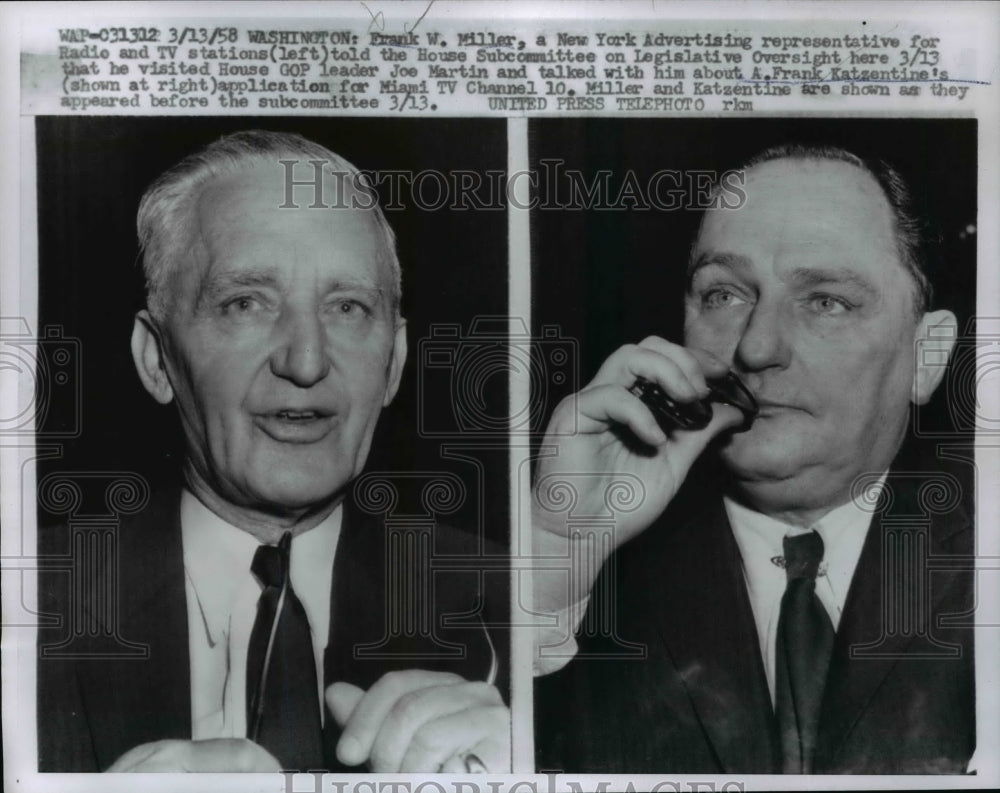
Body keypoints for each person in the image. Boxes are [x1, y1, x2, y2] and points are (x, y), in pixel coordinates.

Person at [37, 130, 509, 773]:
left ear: (394, 363)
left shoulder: (514, 607)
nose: (306, 361)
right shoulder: (29, 604)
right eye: (245, 303)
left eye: (347, 307)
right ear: (155, 358)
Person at [532, 144, 974, 774]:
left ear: (925, 357)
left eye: (826, 301)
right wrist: (557, 549)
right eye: (724, 295)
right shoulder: (595, 572)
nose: (758, 347)